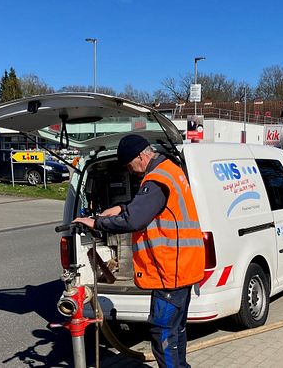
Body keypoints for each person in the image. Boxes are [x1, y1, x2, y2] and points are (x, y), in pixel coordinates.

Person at [73, 134, 205, 368]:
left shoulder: (156, 180)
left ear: (141, 156)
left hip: (170, 272)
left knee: (162, 333)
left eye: (129, 164)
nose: (130, 170)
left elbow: (133, 221)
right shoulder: (170, 170)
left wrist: (97, 223)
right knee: (175, 331)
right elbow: (151, 209)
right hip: (182, 268)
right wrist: (121, 208)